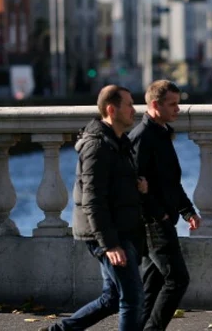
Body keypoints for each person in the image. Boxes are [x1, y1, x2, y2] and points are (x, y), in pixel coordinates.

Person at [42, 85, 147, 331]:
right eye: (129, 104)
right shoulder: (97, 146)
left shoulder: (117, 142)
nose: (134, 110)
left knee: (111, 299)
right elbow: (92, 199)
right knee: (132, 298)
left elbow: (113, 185)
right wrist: (110, 244)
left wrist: (137, 186)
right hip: (108, 233)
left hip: (118, 229)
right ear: (111, 109)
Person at [129, 80, 201, 331]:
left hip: (161, 218)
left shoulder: (160, 132)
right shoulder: (142, 137)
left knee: (153, 285)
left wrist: (187, 210)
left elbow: (170, 181)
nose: (178, 110)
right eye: (173, 105)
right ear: (155, 105)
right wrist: (159, 216)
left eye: (178, 104)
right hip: (153, 222)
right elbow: (135, 186)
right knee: (177, 280)